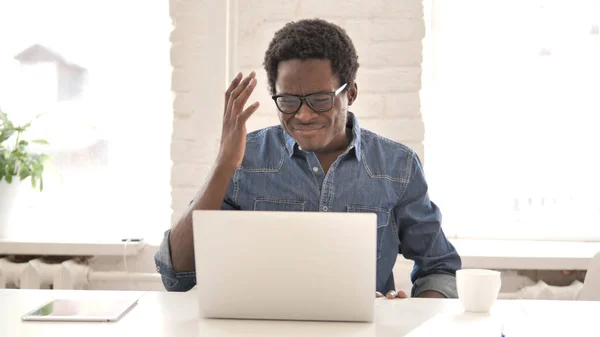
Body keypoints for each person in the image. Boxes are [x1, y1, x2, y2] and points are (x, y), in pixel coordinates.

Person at [155, 18, 461, 299]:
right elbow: (176, 276)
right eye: (288, 101)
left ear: (350, 93)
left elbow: (439, 268)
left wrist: (408, 313)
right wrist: (224, 164)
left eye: (320, 100)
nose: (303, 114)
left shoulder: (398, 167)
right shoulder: (244, 159)